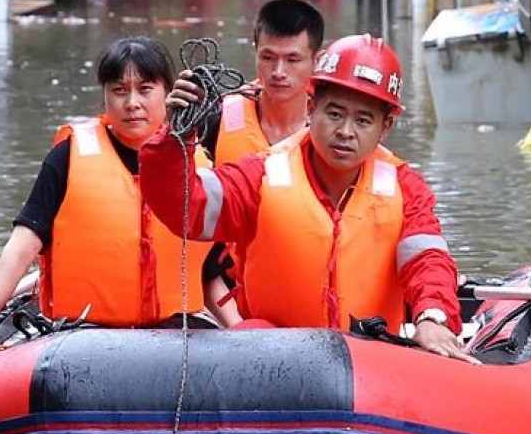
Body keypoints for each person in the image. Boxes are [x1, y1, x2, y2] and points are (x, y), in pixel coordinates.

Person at [140, 34, 477, 363]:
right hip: (275, 358)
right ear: (311, 108)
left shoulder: (407, 188)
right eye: (334, 114)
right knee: (249, 334)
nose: (346, 131)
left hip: (371, 364)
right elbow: (186, 208)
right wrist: (175, 138)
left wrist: (432, 318)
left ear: (385, 127)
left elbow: (427, 260)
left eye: (363, 120)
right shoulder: (260, 175)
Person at [0, 37, 212, 364]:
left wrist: (242, 332)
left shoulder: (197, 164)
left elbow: (213, 269)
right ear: (104, 95)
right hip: (79, 335)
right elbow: (18, 251)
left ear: (168, 93)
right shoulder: (68, 156)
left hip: (173, 332)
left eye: (145, 90)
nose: (132, 103)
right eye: (119, 90)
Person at [198, 0, 325, 326]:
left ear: (317, 61)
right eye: (267, 57)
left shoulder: (336, 131)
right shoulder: (217, 122)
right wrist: (235, 324)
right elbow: (192, 233)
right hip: (228, 302)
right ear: (255, 51)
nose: (278, 72)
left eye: (293, 59)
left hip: (315, 301)